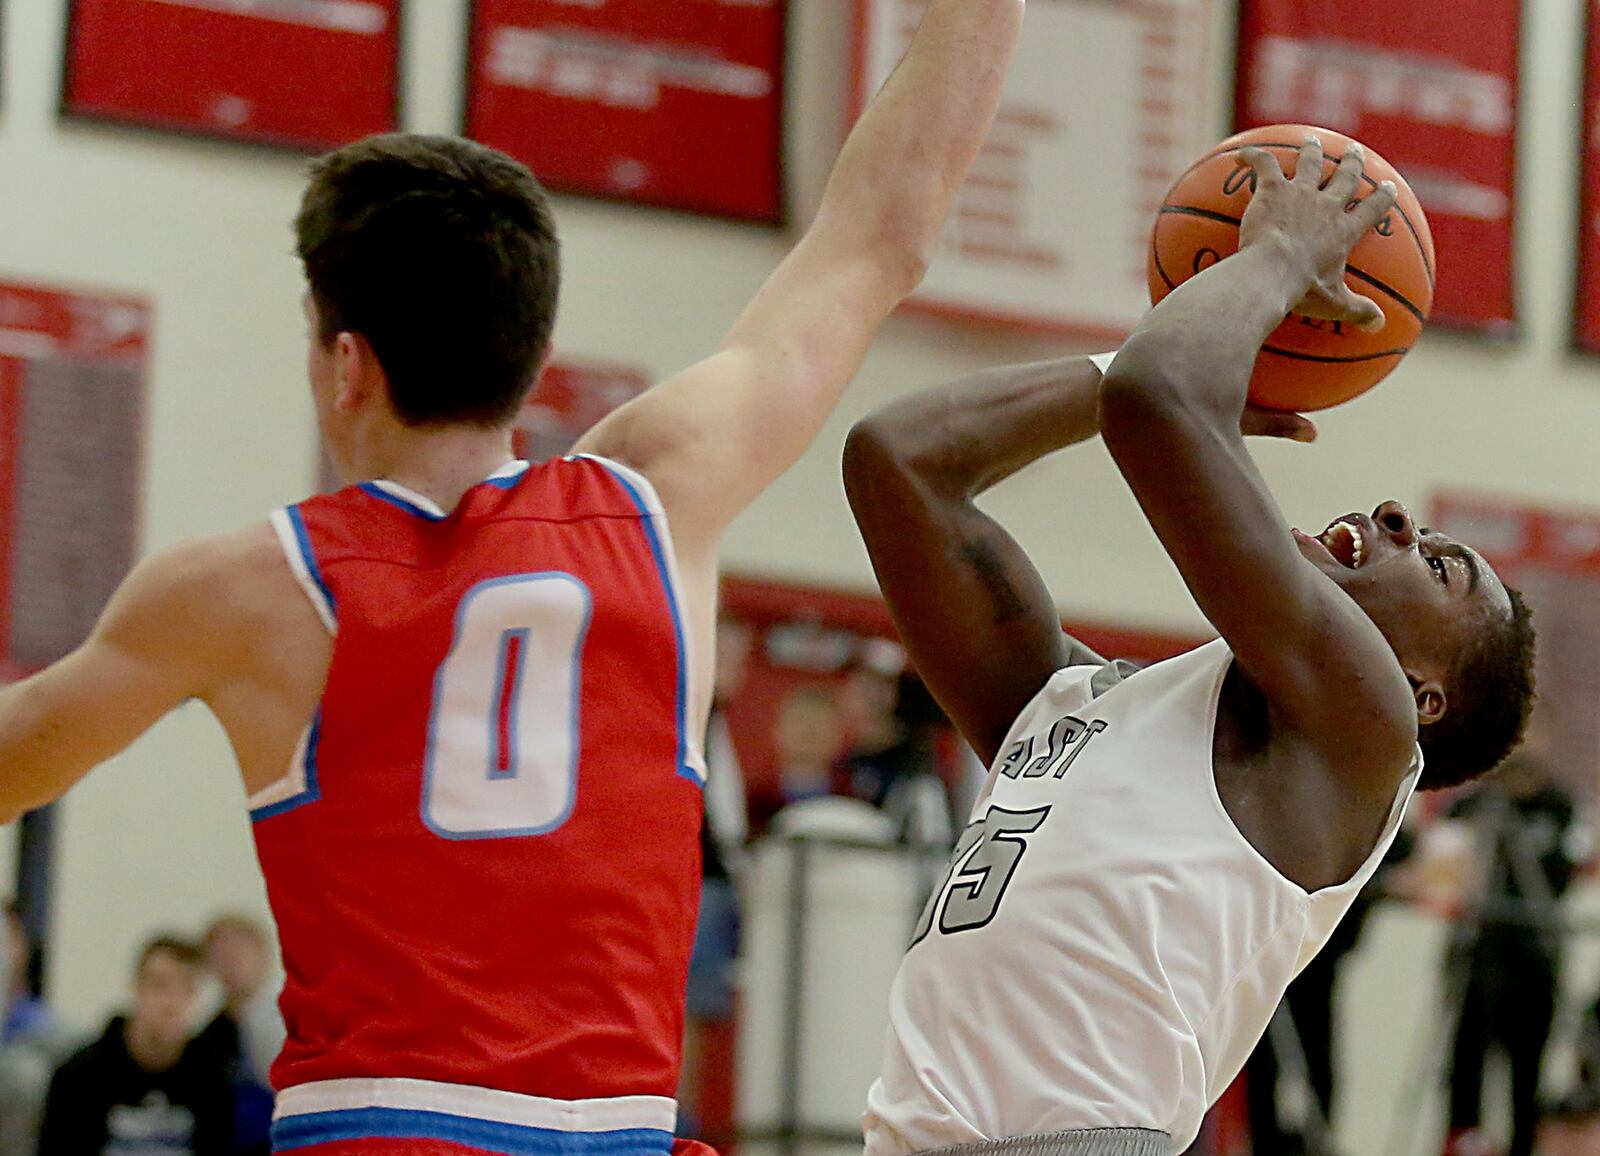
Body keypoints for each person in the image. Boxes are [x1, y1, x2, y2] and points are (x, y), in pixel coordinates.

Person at [0, 2, 1025, 1150]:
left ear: (347, 364)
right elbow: (881, 234)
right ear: (537, 355)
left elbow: (19, 756)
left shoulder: (249, 586)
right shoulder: (656, 495)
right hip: (620, 1131)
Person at [842, 137, 1536, 1156]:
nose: (1397, 517)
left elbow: (1158, 398)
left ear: (1421, 692)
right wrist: (1142, 364)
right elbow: (897, 462)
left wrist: (1275, 264)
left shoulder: (1366, 733)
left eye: (1438, 567)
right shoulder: (1073, 704)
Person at [1438, 753, 1587, 1156]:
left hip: (1535, 955)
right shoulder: (1472, 806)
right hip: (1475, 952)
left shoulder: (1561, 807)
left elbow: (1567, 875)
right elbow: (1444, 877)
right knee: (1464, 1065)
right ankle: (1460, 1142)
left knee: (1527, 1074)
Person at [39, 936, 231, 1155]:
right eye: (160, 985)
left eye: (188, 988)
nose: (173, 1003)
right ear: (136, 987)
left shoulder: (211, 1079)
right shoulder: (80, 1076)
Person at [192, 915, 283, 1156]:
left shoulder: (292, 1020)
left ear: (262, 954)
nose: (232, 962)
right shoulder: (207, 1039)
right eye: (222, 954)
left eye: (240, 952)